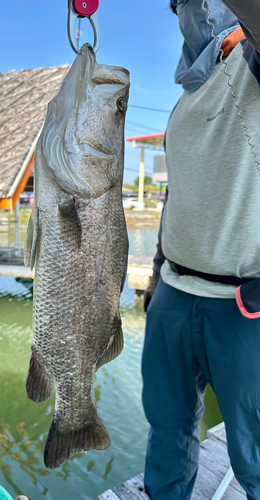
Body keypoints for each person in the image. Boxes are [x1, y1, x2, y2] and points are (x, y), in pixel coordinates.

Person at [141, 0, 260, 498]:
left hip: (241, 304)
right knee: (167, 432)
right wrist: (154, 276)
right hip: (172, 292)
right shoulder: (182, 100)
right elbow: (180, 195)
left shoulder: (253, 62)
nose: (191, 9)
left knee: (253, 451)